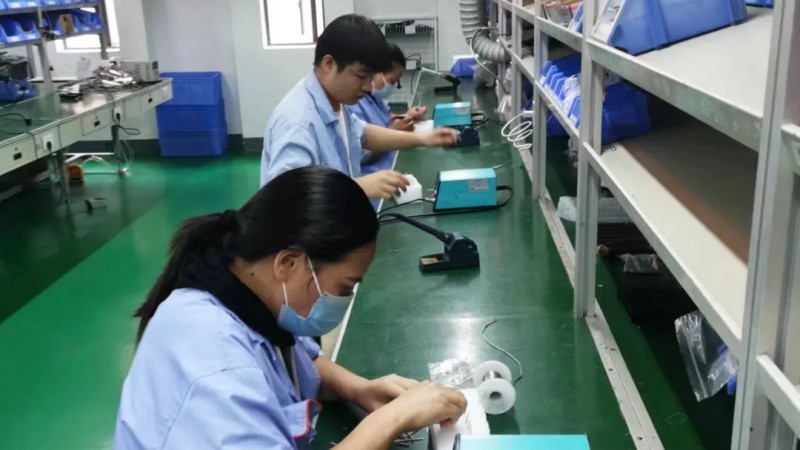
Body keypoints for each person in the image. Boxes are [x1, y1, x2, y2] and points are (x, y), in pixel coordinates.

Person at [113, 166, 467, 450]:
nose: (344, 299)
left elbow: (301, 364)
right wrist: (392, 420)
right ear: (289, 264)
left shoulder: (248, 292)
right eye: (344, 287)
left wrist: (359, 389)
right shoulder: (215, 364)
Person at [260, 14, 458, 200]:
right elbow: (286, 197)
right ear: (328, 64)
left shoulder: (333, 101)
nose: (367, 87)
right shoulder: (297, 123)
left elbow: (363, 133)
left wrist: (423, 138)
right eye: (361, 76)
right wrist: (359, 186)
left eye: (371, 77)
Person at [350, 43, 427, 175]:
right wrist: (393, 132)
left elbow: (383, 116)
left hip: (392, 160)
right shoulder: (353, 103)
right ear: (375, 73)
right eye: (392, 81)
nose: (394, 86)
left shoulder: (372, 96)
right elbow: (360, 155)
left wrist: (406, 116)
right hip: (376, 176)